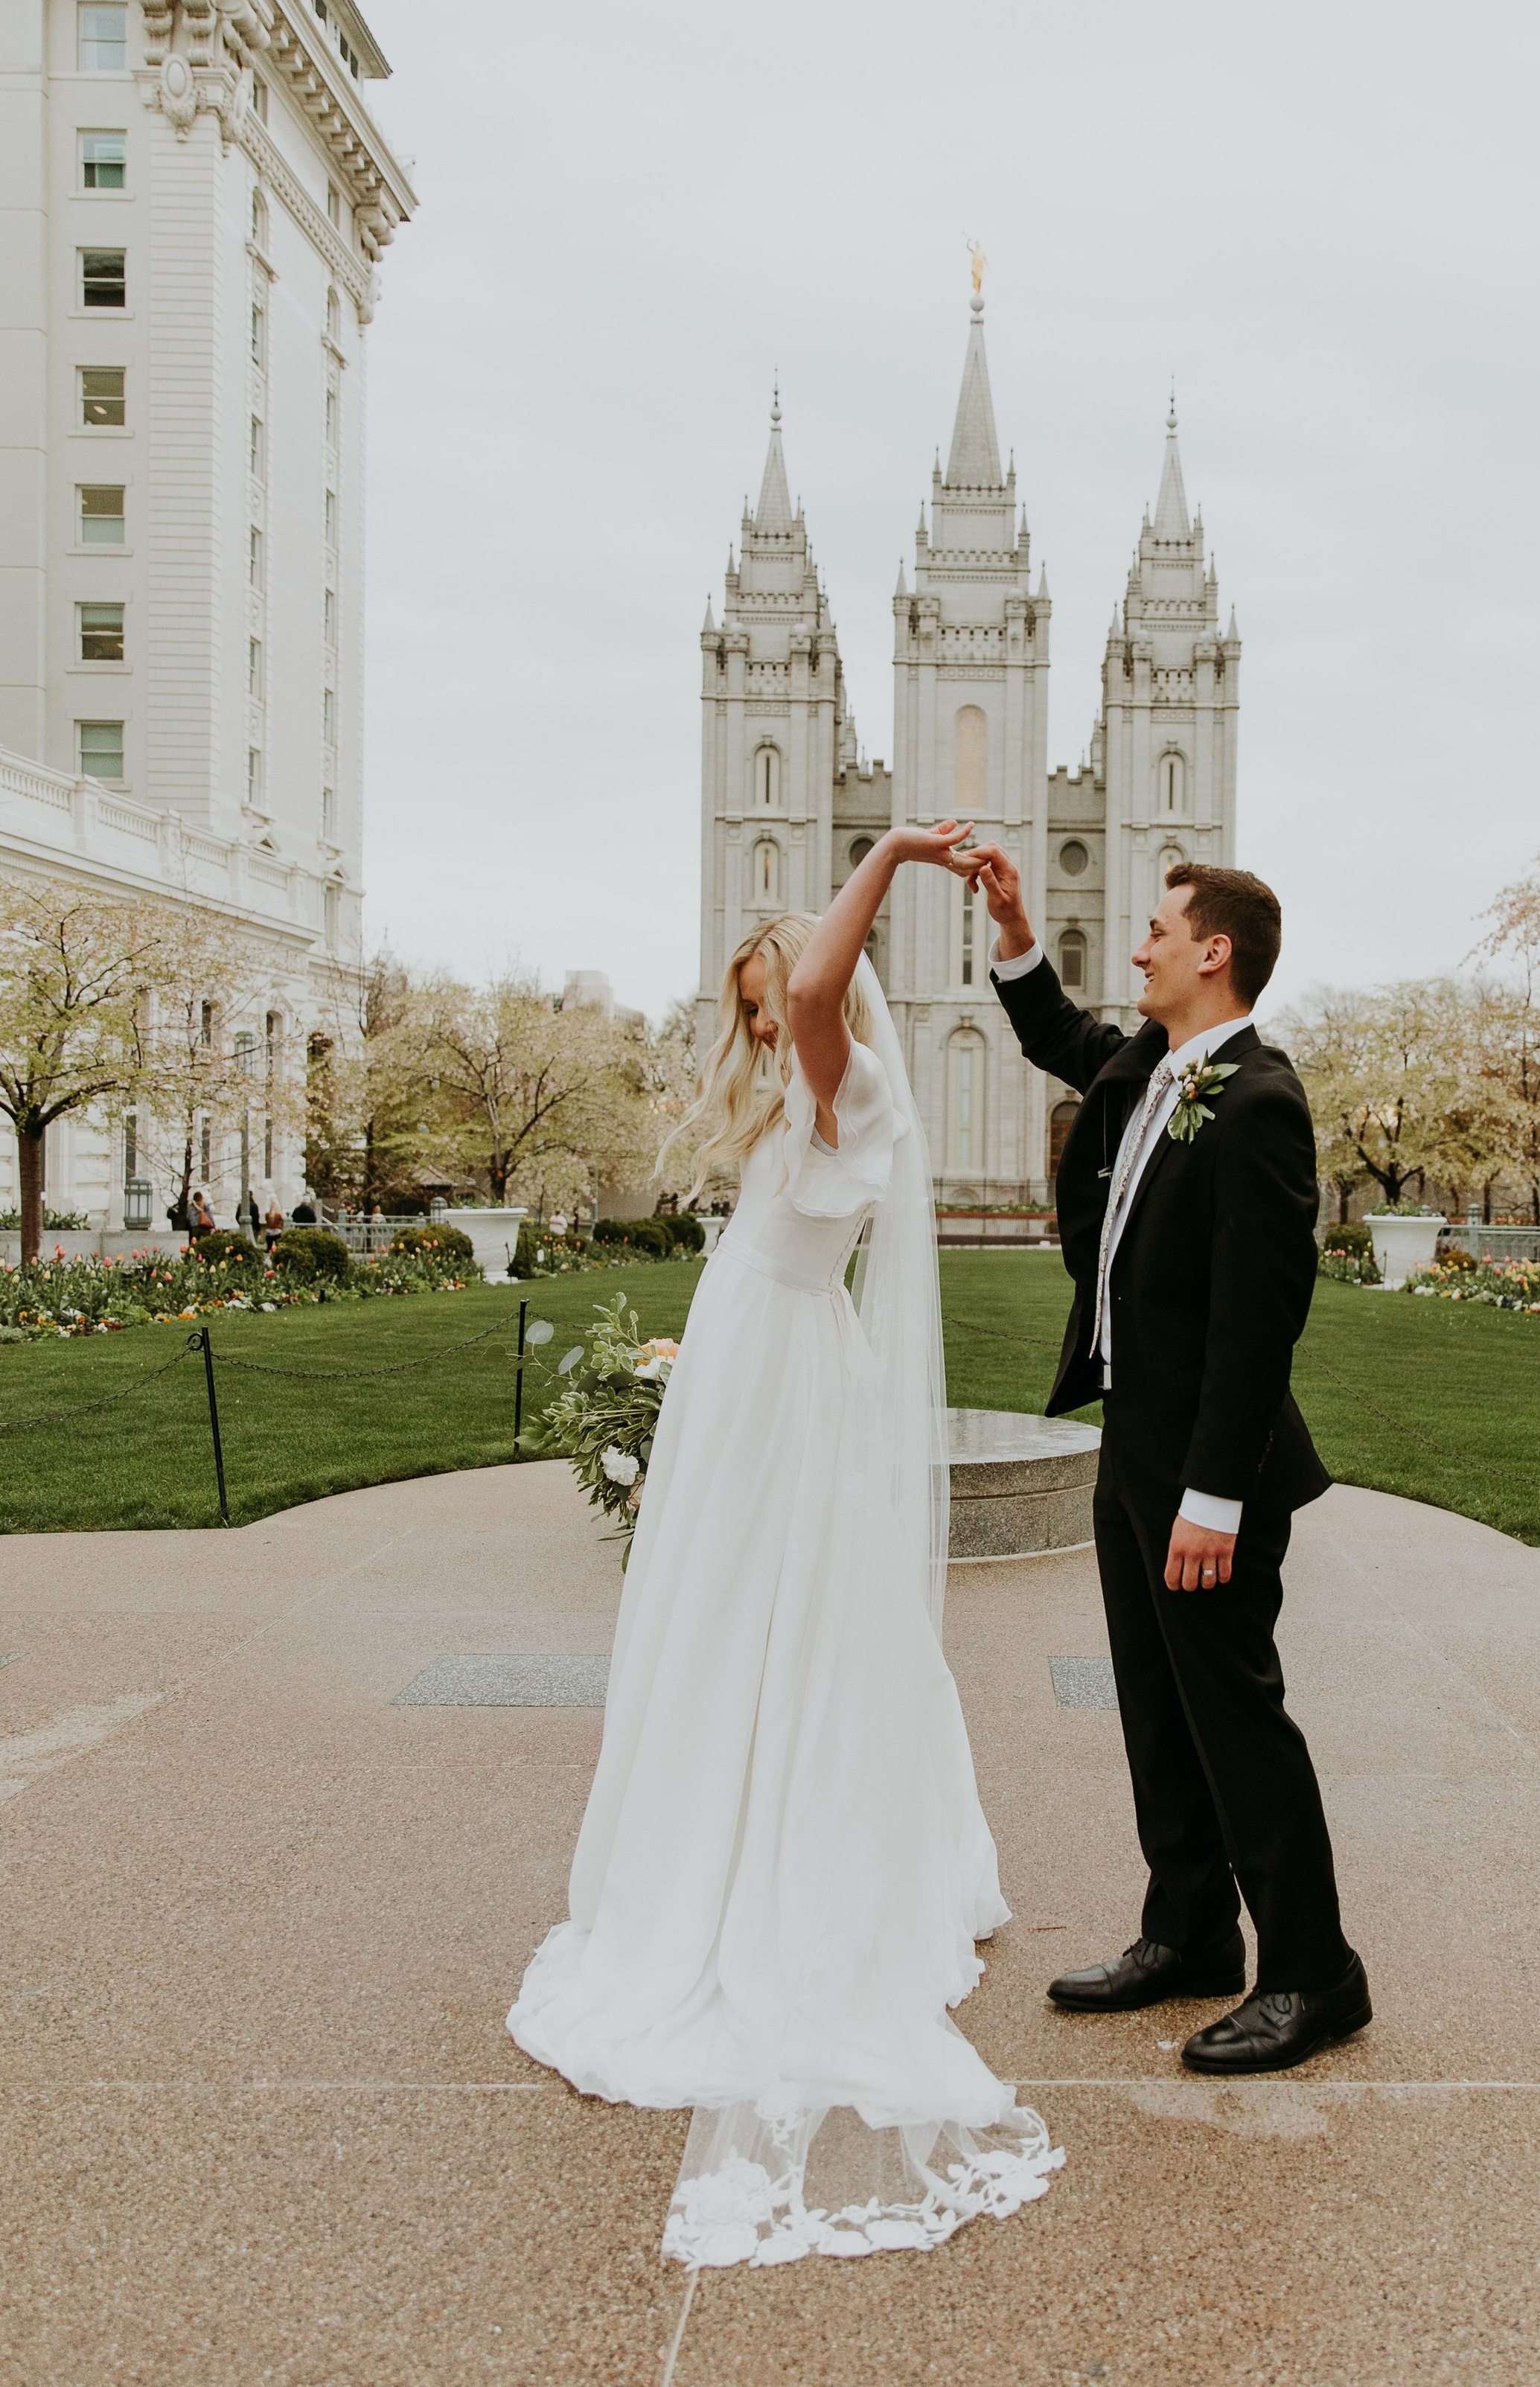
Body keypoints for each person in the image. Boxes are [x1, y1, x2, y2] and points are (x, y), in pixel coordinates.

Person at [508, 819, 1060, 2267]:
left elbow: (819, 997)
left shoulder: (850, 1069)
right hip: (757, 1364)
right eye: (751, 1007)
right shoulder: (803, 1090)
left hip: (788, 1386)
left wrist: (880, 855)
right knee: (728, 1625)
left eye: (778, 998)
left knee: (785, 1624)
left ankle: (777, 1883)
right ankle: (726, 1839)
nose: (769, 1020)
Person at [963, 843, 1368, 2077]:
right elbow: (1060, 1038)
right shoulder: (1150, 1070)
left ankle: (1314, 1974)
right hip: (1129, 1438)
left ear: (1214, 953)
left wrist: (1213, 1498)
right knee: (1157, 1709)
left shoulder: (1258, 1103)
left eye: (1154, 930)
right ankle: (1190, 1935)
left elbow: (1260, 1324)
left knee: (1236, 1719)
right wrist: (1016, 926)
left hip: (1209, 1471)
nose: (1134, 948)